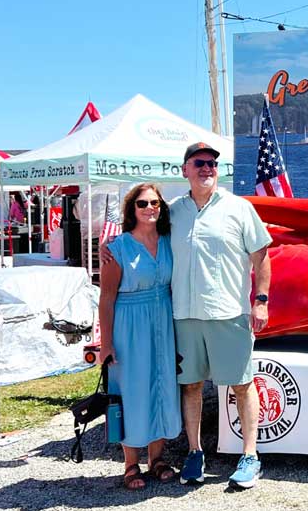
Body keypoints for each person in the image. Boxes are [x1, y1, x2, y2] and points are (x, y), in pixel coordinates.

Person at [101, 142, 272, 490]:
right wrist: (110, 246)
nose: (207, 168)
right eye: (199, 163)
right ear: (185, 170)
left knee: (241, 384)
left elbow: (261, 256)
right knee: (190, 386)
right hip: (183, 316)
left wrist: (262, 300)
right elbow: (141, 234)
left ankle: (250, 456)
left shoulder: (239, 208)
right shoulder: (172, 212)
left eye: (212, 163)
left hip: (229, 313)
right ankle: (194, 452)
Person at [99, 183, 182, 491]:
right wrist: (106, 344)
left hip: (162, 319)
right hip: (129, 325)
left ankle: (157, 458)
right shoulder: (117, 248)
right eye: (143, 203)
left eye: (155, 203)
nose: (150, 208)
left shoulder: (168, 242)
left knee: (161, 385)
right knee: (132, 390)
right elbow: (106, 298)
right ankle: (130, 463)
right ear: (132, 209)